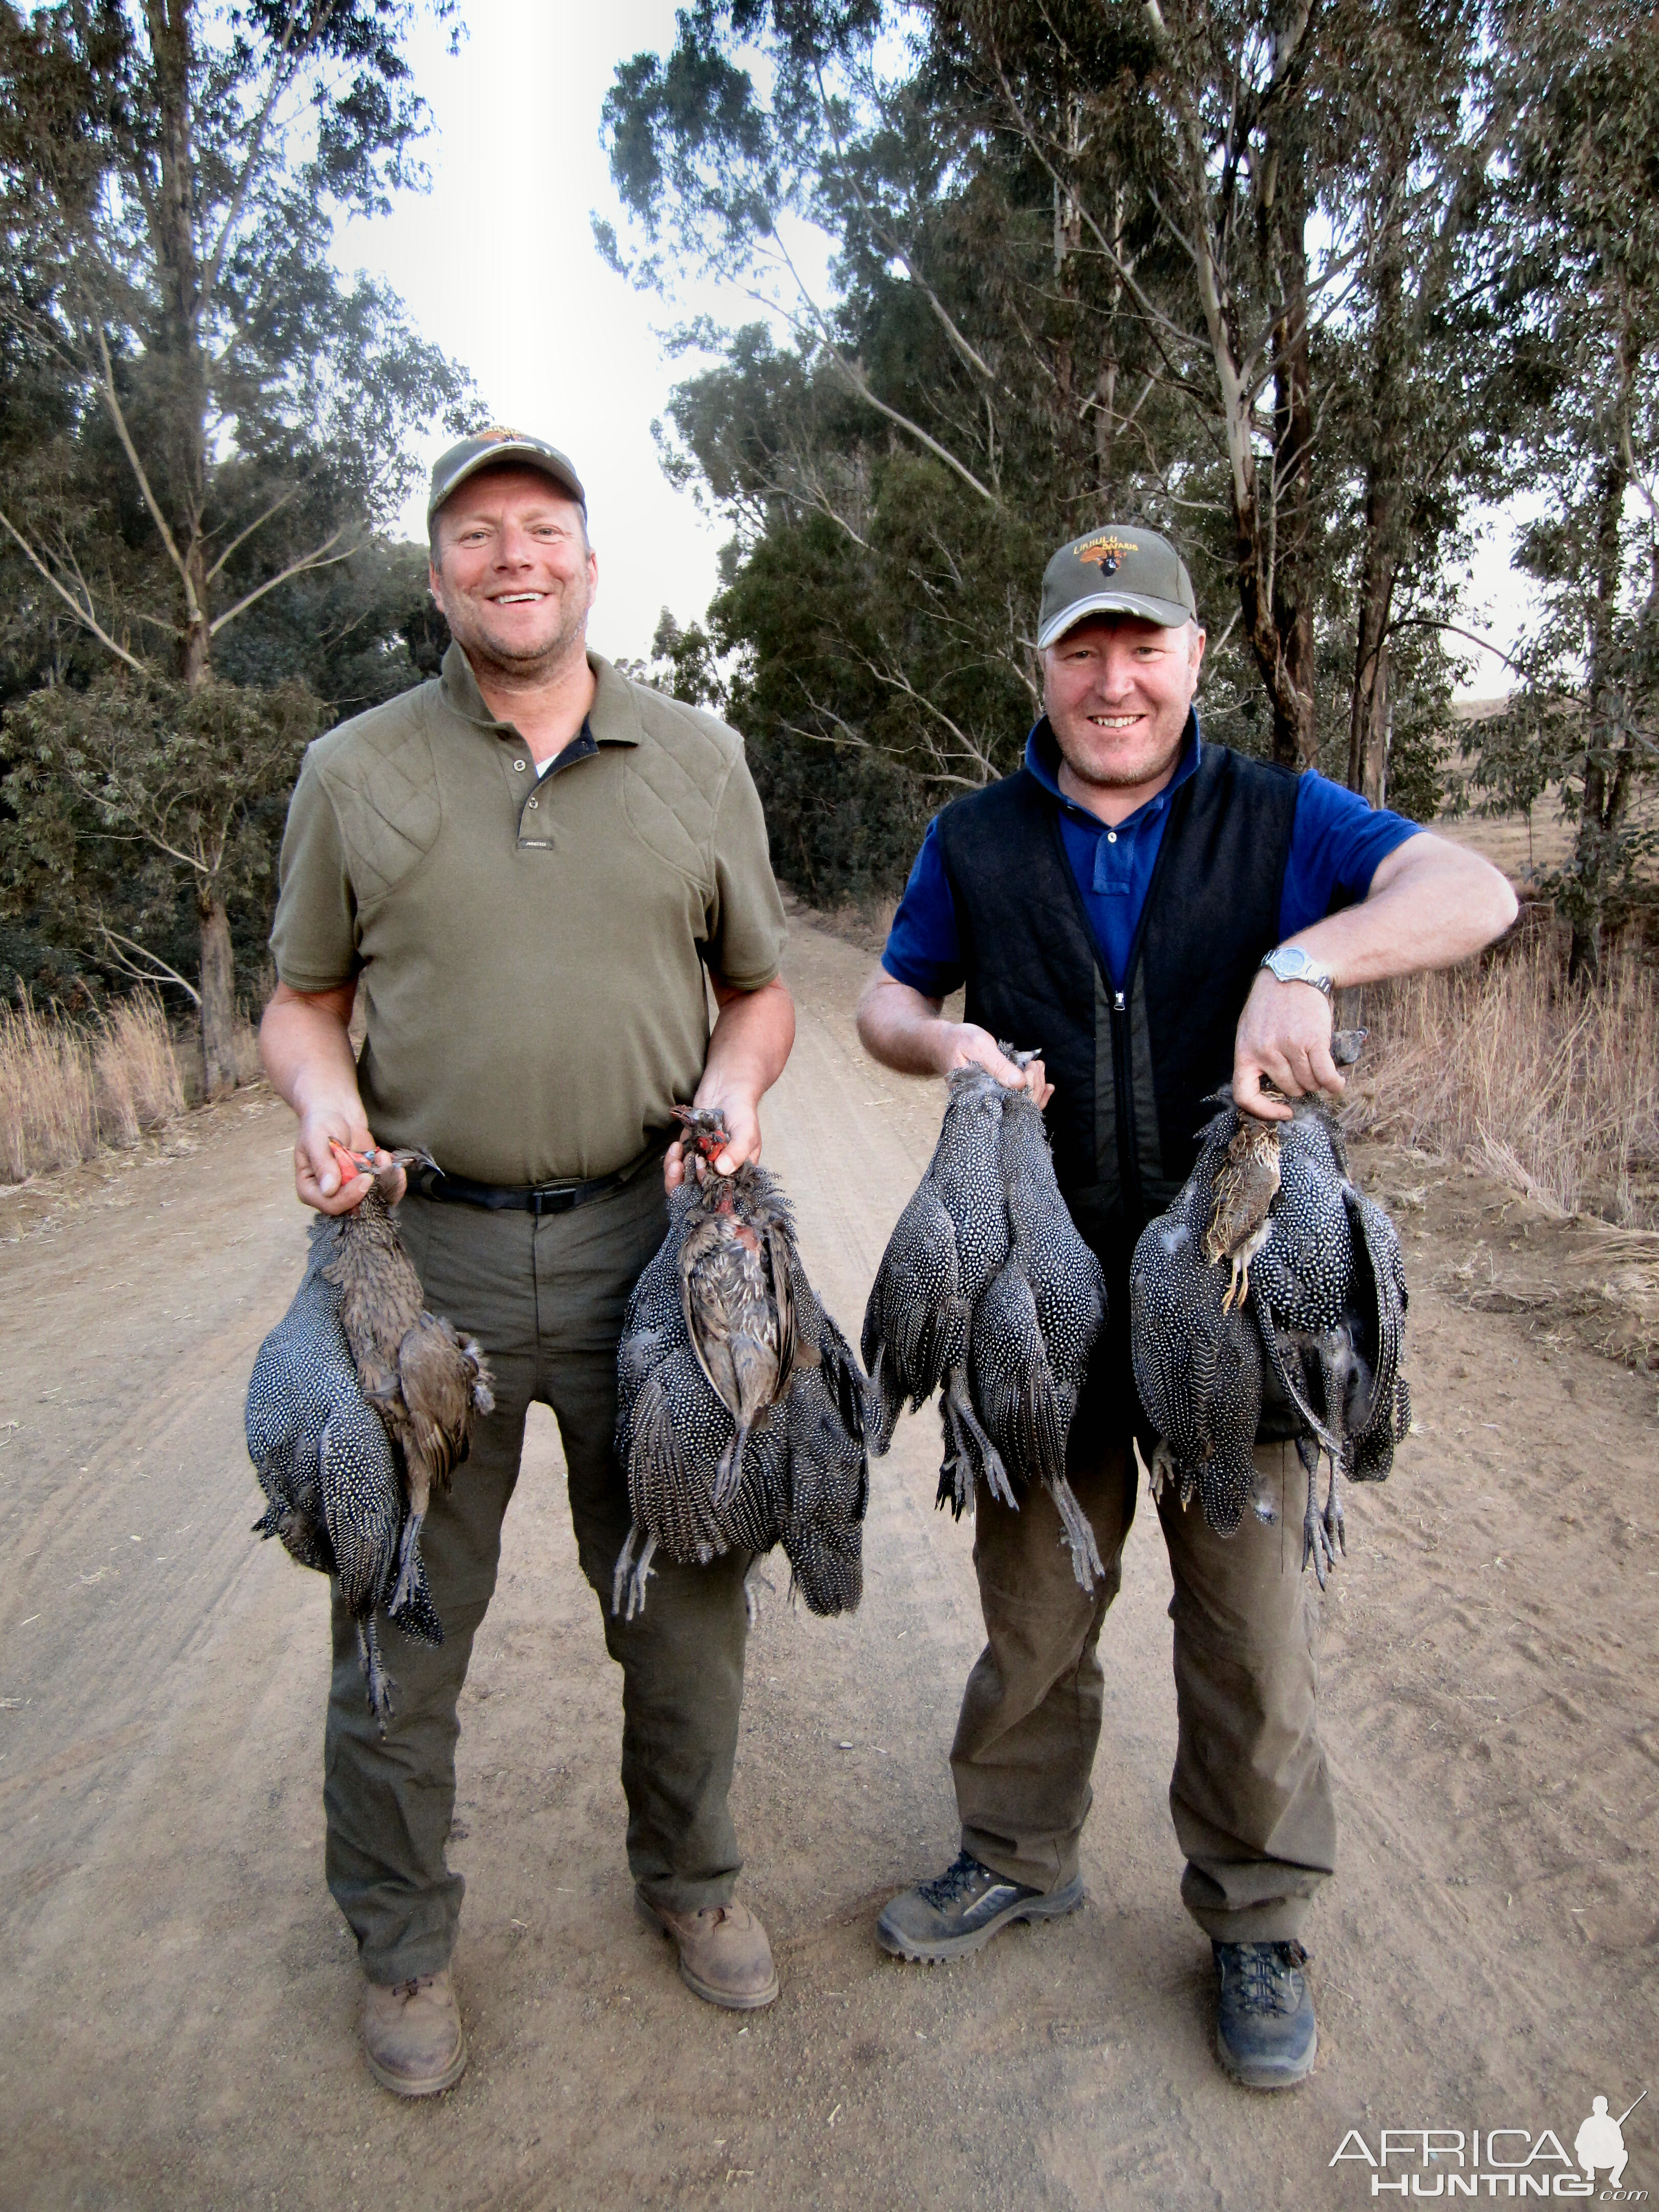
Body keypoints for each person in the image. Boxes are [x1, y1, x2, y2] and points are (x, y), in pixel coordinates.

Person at [855, 524, 1517, 2089]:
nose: (1114, 680)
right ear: (1044, 668)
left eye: (1142, 645)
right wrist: (941, 1050)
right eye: (1083, 649)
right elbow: (889, 995)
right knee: (1033, 1610)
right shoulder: (976, 838)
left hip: (1238, 1297)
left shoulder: (1282, 819)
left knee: (1252, 1629)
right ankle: (1017, 1855)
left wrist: (1307, 956)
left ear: (1195, 658)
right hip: (1046, 1286)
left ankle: (1257, 1919)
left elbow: (1472, 889)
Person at [260, 428, 796, 2098]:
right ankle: (403, 1944)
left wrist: (733, 1088)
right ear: (437, 575)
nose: (514, 558)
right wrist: (327, 1102)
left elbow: (764, 992)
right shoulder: (356, 772)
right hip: (428, 1263)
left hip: (661, 1255)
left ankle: (694, 1882)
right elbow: (303, 997)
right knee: (398, 1612)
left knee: (689, 1600)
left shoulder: (702, 761)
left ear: (587, 560)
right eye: (478, 535)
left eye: (543, 530)